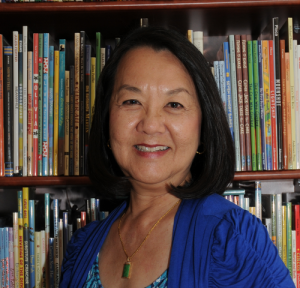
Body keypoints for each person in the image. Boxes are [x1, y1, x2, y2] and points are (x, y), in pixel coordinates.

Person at [60, 27, 294, 288]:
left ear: (203, 128)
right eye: (131, 101)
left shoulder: (232, 241)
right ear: (106, 123)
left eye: (174, 105)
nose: (151, 124)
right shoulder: (81, 248)